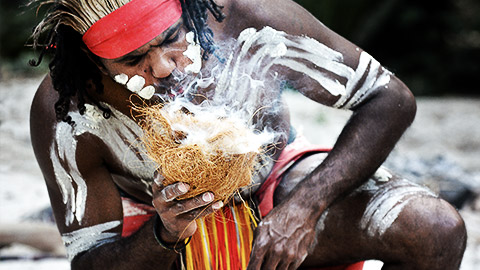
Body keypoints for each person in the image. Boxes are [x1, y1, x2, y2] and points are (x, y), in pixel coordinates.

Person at [29, 0, 467, 269]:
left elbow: (390, 99)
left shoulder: (250, 20)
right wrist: (164, 232)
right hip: (161, 232)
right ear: (93, 62)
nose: (163, 66)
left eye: (171, 39)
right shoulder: (68, 110)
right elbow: (90, 263)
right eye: (133, 59)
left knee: (433, 228)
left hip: (277, 183)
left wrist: (303, 209)